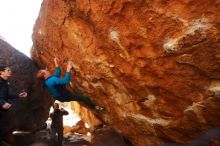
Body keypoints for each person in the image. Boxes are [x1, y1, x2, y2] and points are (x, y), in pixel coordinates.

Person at [36, 58, 104, 111]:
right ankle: (94, 107)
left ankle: (79, 97)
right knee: (84, 98)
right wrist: (68, 69)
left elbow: (57, 74)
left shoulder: (48, 80)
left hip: (60, 94)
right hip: (64, 96)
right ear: (45, 76)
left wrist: (56, 63)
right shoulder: (51, 81)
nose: (47, 70)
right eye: (46, 71)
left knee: (63, 86)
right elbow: (66, 81)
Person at [0, 66, 27, 145]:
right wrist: (2, 103)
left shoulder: (6, 82)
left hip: (2, 111)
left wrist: (19, 95)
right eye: (8, 70)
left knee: (2, 130)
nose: (10, 71)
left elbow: (7, 95)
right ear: (1, 72)